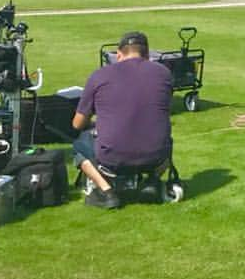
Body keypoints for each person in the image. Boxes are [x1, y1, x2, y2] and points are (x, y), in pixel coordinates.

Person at [71, 31, 173, 210]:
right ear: (147, 54)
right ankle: (151, 180)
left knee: (80, 146)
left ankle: (106, 192)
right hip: (157, 155)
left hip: (112, 157)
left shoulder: (100, 75)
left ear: (118, 54)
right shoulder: (164, 74)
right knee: (166, 140)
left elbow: (77, 123)